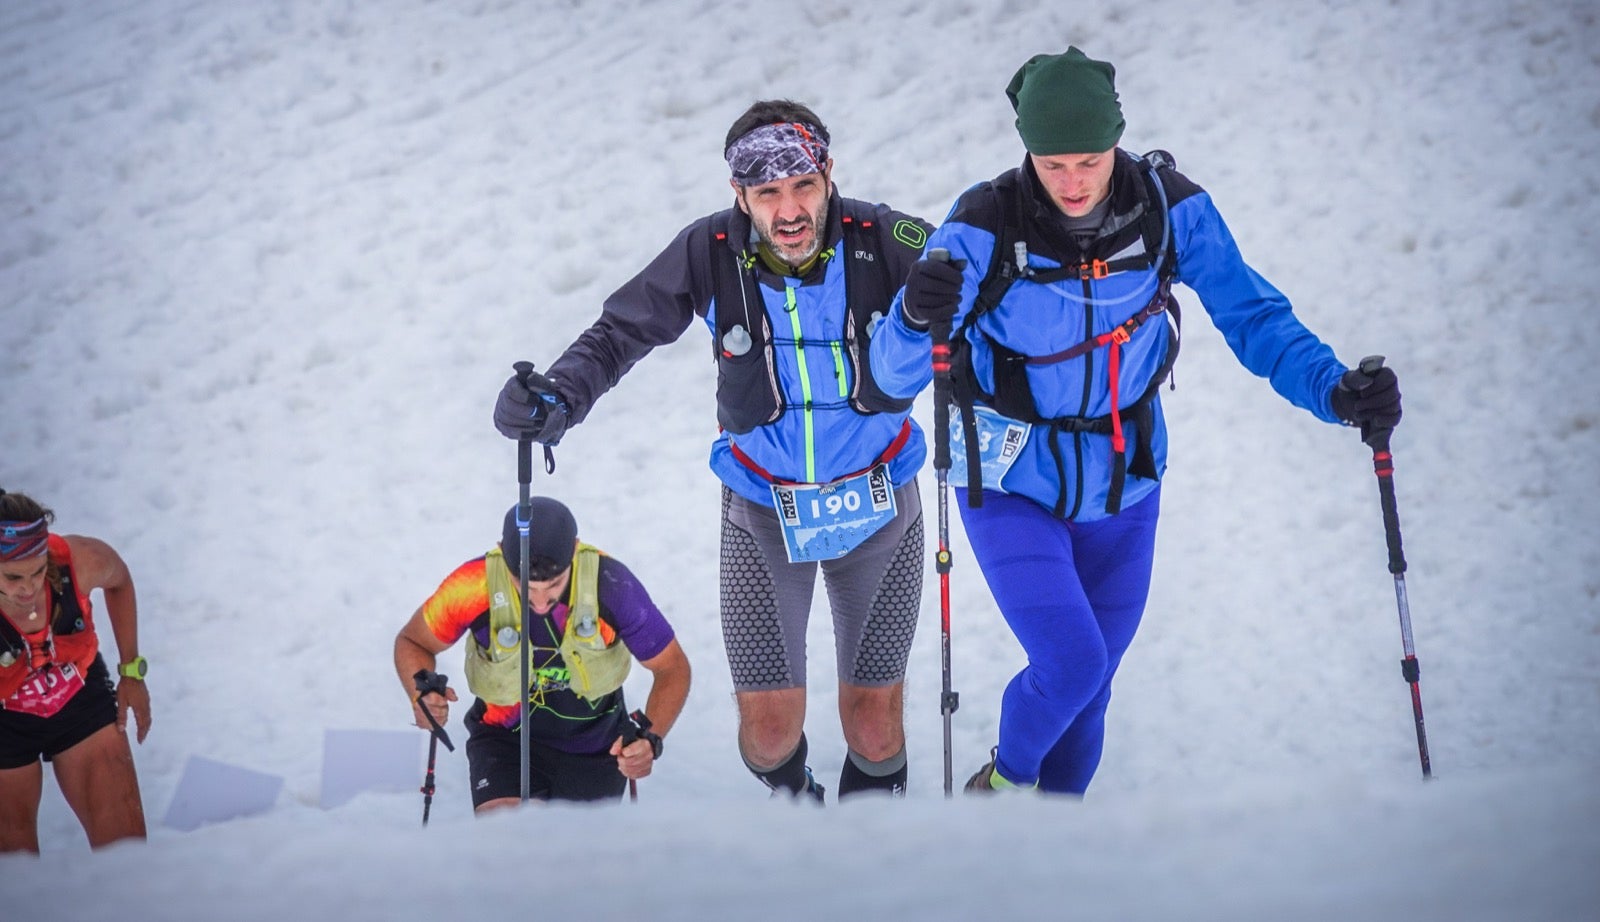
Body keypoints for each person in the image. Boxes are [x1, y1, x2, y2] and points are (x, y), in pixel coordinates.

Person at [869, 47, 1403, 795]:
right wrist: (912, 312)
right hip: (1008, 481)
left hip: (1127, 485)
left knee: (1094, 689)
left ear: (1117, 140)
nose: (1073, 182)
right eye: (1052, 164)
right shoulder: (984, 223)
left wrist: (1335, 390)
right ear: (1027, 150)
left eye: (1090, 160)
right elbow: (891, 377)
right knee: (1073, 664)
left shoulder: (1168, 208)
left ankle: (1056, 855)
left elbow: (1252, 315)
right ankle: (1000, 789)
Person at [493, 100, 934, 802]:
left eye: (803, 188)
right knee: (766, 734)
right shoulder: (710, 250)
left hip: (881, 509)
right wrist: (558, 398)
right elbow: (621, 332)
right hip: (764, 509)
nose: (788, 210)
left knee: (875, 728)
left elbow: (981, 310)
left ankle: (866, 851)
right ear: (740, 195)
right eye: (767, 193)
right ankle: (803, 811)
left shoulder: (887, 238)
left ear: (827, 176)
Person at [394, 496, 689, 809]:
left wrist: (650, 738)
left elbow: (672, 667)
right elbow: (413, 641)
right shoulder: (473, 585)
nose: (539, 602)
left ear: (575, 551)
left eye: (553, 585)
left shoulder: (612, 585)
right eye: (525, 587)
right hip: (503, 740)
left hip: (597, 746)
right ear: (502, 552)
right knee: (514, 845)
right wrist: (420, 694)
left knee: (574, 857)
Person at [0, 490, 151, 853]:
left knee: (128, 856)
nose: (28, 588)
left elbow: (120, 580)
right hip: (6, 723)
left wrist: (132, 673)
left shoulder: (78, 560)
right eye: (13, 577)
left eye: (38, 571)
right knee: (16, 879)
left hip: (79, 697)